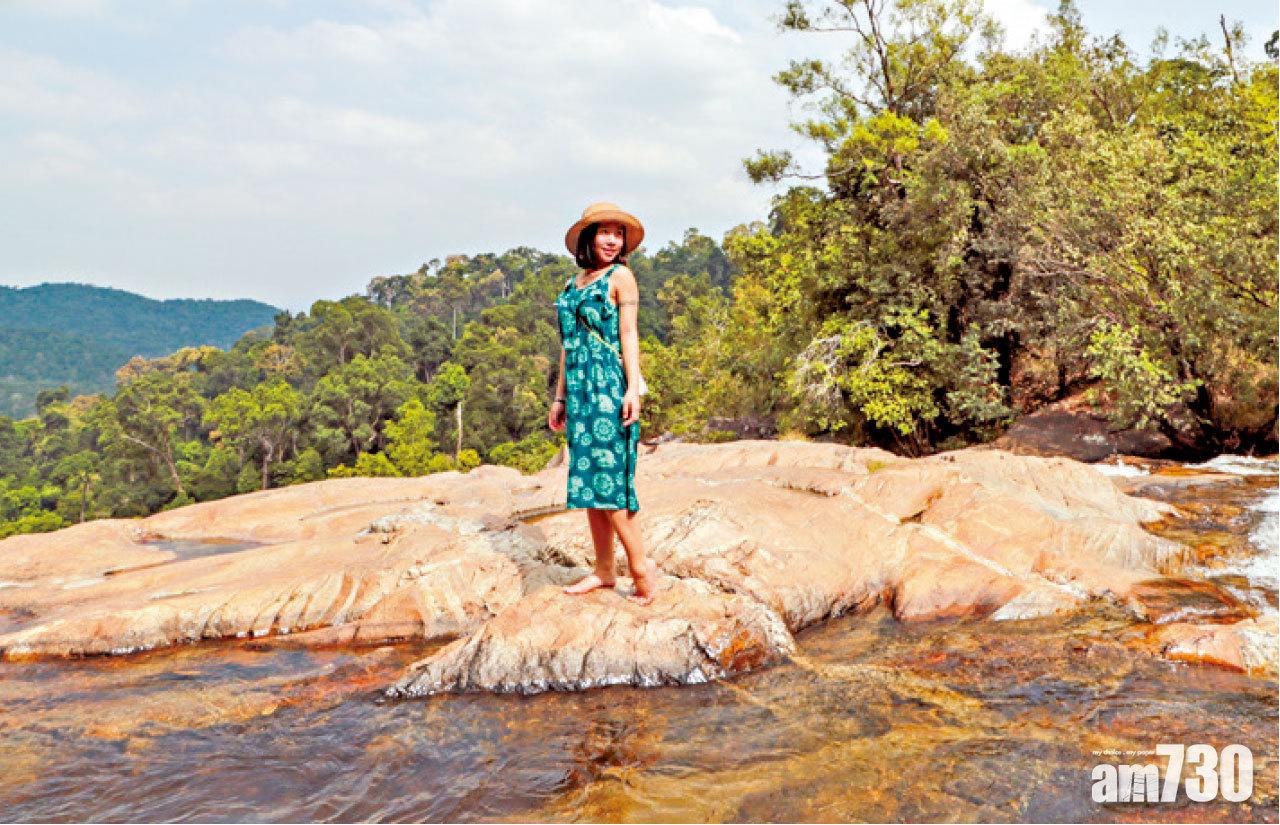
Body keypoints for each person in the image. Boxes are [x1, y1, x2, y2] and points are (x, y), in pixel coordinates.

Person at [549, 201, 660, 606]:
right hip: (579, 391)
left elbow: (629, 334)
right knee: (589, 485)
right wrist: (559, 397)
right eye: (604, 232)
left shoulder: (621, 277)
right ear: (588, 237)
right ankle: (603, 571)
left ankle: (640, 570)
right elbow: (567, 345)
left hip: (608, 387)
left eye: (619, 233)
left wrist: (633, 389)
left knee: (612, 484)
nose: (612, 240)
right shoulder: (571, 284)